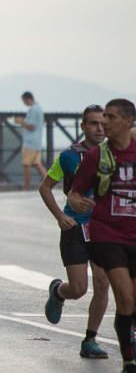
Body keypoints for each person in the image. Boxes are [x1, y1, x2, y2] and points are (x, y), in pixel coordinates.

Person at [67, 98, 136, 373]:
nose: (105, 122)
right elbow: (74, 192)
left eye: (111, 117)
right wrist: (77, 202)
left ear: (129, 122)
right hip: (107, 234)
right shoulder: (97, 156)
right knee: (124, 297)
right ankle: (129, 363)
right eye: (103, 116)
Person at [39, 105, 110, 358]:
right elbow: (45, 187)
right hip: (75, 227)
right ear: (83, 127)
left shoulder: (115, 154)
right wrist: (60, 216)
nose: (99, 129)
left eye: (103, 123)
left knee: (102, 284)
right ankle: (58, 291)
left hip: (103, 229)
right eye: (93, 124)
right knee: (79, 289)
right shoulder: (70, 156)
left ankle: (90, 340)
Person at [16, 91, 46, 191]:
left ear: (27, 99)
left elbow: (31, 126)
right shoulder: (39, 108)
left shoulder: (33, 110)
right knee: (37, 164)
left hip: (30, 142)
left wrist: (21, 121)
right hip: (37, 141)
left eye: (24, 101)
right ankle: (49, 182)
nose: (24, 103)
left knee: (26, 164)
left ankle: (26, 187)